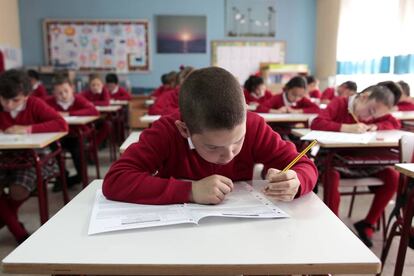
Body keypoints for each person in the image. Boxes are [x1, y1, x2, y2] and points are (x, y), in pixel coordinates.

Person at [103, 67, 318, 205]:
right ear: (184, 130)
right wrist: (190, 191)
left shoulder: (253, 126)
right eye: (213, 147)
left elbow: (305, 165)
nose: (228, 155)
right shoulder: (166, 131)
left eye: (238, 141)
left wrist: (297, 181)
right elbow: (115, 180)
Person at [311, 84, 401, 247]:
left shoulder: (376, 112)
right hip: (334, 161)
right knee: (332, 176)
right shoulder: (340, 104)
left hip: (360, 162)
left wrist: (377, 126)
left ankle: (368, 223)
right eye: (370, 111)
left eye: (375, 116)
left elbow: (394, 123)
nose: (368, 118)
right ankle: (333, 225)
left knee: (392, 176)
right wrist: (346, 128)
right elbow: (317, 123)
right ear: (364, 97)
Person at [0, 69, 68, 243]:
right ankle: (18, 232)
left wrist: (28, 129)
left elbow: (62, 124)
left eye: (14, 100)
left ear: (26, 96)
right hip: (4, 156)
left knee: (18, 190)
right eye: (3, 99)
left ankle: (7, 219)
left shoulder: (34, 104)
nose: (8, 105)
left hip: (33, 157)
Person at [46, 74, 99, 187]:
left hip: (76, 135)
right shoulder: (49, 102)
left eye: (66, 91)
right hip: (58, 136)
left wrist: (69, 113)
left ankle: (79, 178)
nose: (64, 95)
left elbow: (93, 111)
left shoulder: (78, 99)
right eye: (59, 93)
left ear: (72, 89)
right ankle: (62, 176)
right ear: (53, 93)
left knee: (77, 151)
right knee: (53, 149)